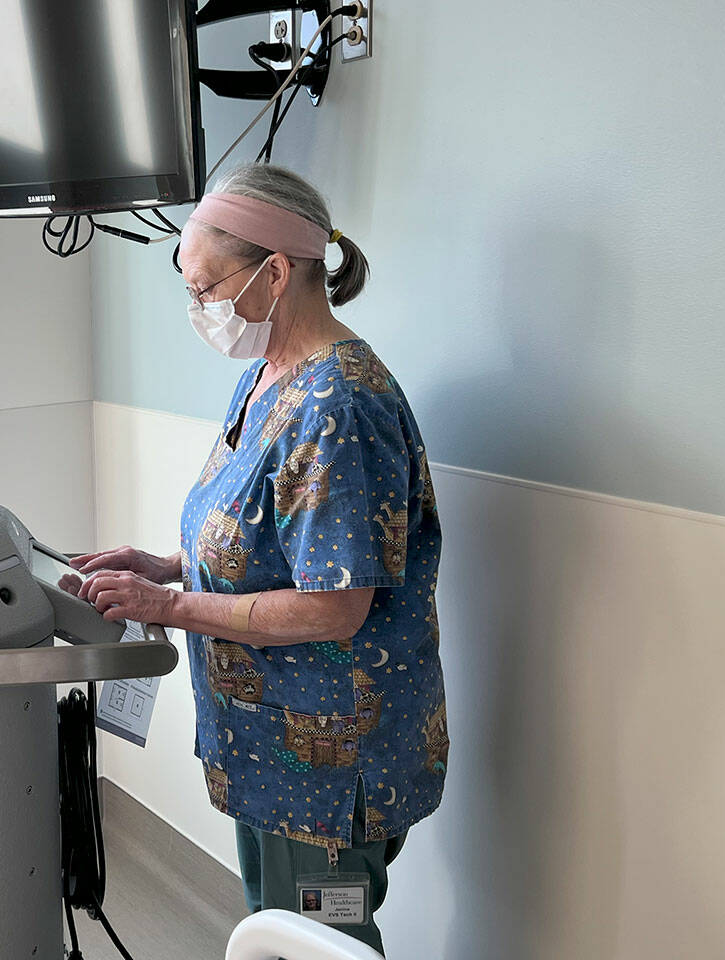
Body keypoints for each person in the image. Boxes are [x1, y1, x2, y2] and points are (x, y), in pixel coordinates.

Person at [59, 164, 448, 956]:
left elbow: (334, 604)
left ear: (276, 272)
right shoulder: (266, 377)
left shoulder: (340, 405)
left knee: (317, 941)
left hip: (328, 757)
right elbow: (267, 539)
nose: (198, 307)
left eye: (207, 288)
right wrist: (166, 566)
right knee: (277, 930)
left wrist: (166, 608)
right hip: (269, 741)